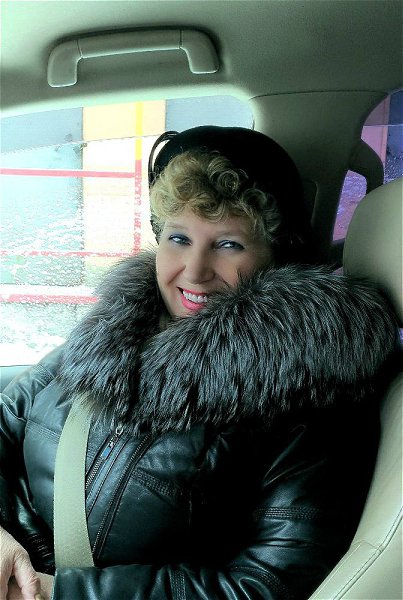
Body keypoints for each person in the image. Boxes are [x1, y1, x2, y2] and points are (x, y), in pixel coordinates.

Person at [0, 126, 399, 600]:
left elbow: (269, 583)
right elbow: (6, 421)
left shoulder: (313, 386)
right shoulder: (117, 327)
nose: (193, 270)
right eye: (178, 237)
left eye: (228, 244)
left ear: (277, 253)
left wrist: (57, 592)